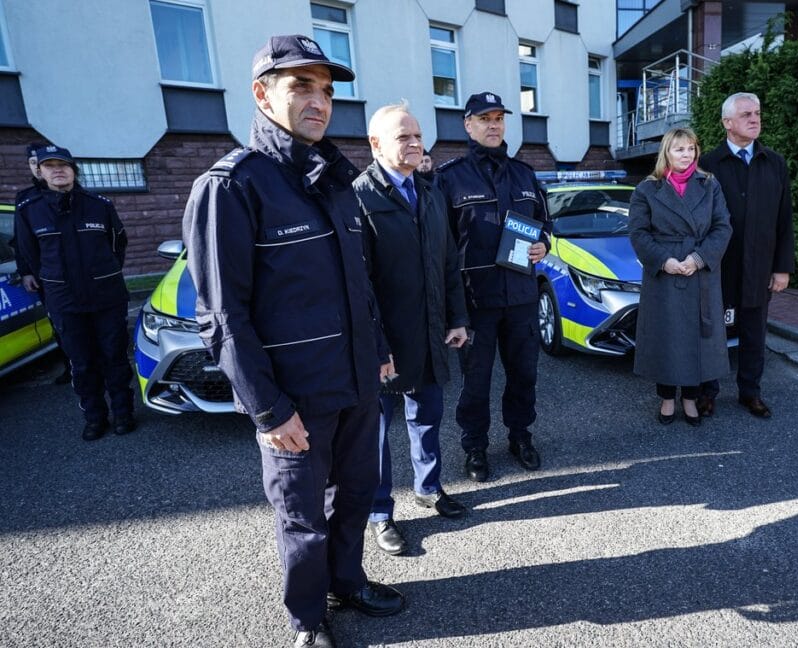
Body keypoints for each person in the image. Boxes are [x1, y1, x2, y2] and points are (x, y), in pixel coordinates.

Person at [182, 35, 403, 648]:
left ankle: (348, 581)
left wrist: (379, 349)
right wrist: (268, 409)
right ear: (262, 93)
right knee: (302, 518)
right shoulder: (232, 187)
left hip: (356, 380)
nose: (319, 101)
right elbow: (223, 315)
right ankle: (309, 618)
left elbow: (360, 283)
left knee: (357, 493)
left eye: (327, 90)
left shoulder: (334, 179)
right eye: (300, 85)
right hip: (294, 397)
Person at [353, 102, 470, 556]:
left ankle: (428, 487)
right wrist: (377, 346)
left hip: (430, 332)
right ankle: (379, 512)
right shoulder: (360, 196)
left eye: (418, 135)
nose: (415, 143)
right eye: (404, 136)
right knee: (375, 431)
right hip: (385, 341)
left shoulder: (430, 191)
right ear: (375, 143)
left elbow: (448, 262)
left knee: (427, 415)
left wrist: (457, 319)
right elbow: (359, 285)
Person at [435, 91, 552, 482]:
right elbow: (441, 246)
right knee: (476, 381)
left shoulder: (525, 173)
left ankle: (520, 436)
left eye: (499, 118)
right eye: (484, 119)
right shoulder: (449, 178)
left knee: (524, 374)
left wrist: (543, 245)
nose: (493, 125)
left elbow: (545, 225)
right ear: (468, 125)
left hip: (520, 297)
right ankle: (475, 447)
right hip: (476, 301)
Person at [14, 146, 135, 440]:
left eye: (63, 165)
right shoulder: (30, 210)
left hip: (106, 295)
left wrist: (104, 273)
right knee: (81, 363)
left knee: (114, 357)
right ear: (39, 172)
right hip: (65, 300)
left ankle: (123, 413)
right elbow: (29, 253)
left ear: (73, 170)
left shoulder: (99, 205)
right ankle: (95, 417)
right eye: (50, 166)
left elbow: (118, 243)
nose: (58, 170)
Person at [697, 92, 795, 419]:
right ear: (727, 123)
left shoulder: (774, 163)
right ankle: (707, 392)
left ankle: (750, 392)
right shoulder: (709, 164)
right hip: (719, 267)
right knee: (714, 332)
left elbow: (784, 219)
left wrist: (782, 269)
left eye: (757, 113)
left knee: (754, 332)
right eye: (746, 115)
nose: (755, 119)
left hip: (759, 266)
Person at [628, 128, 733, 427]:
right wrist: (665, 261)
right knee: (666, 338)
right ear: (667, 153)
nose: (686, 155)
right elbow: (638, 232)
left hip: (699, 272)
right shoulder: (647, 190)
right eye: (679, 149)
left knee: (696, 339)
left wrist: (698, 259)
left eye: (691, 149)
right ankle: (666, 398)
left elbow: (722, 227)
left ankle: (690, 398)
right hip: (665, 273)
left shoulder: (710, 185)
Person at [15, 142, 73, 385]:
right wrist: (27, 271)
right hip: (49, 277)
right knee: (61, 326)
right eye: (36, 163)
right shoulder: (26, 201)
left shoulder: (75, 195)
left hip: (80, 272)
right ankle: (70, 365)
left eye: (61, 165)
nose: (53, 170)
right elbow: (21, 242)